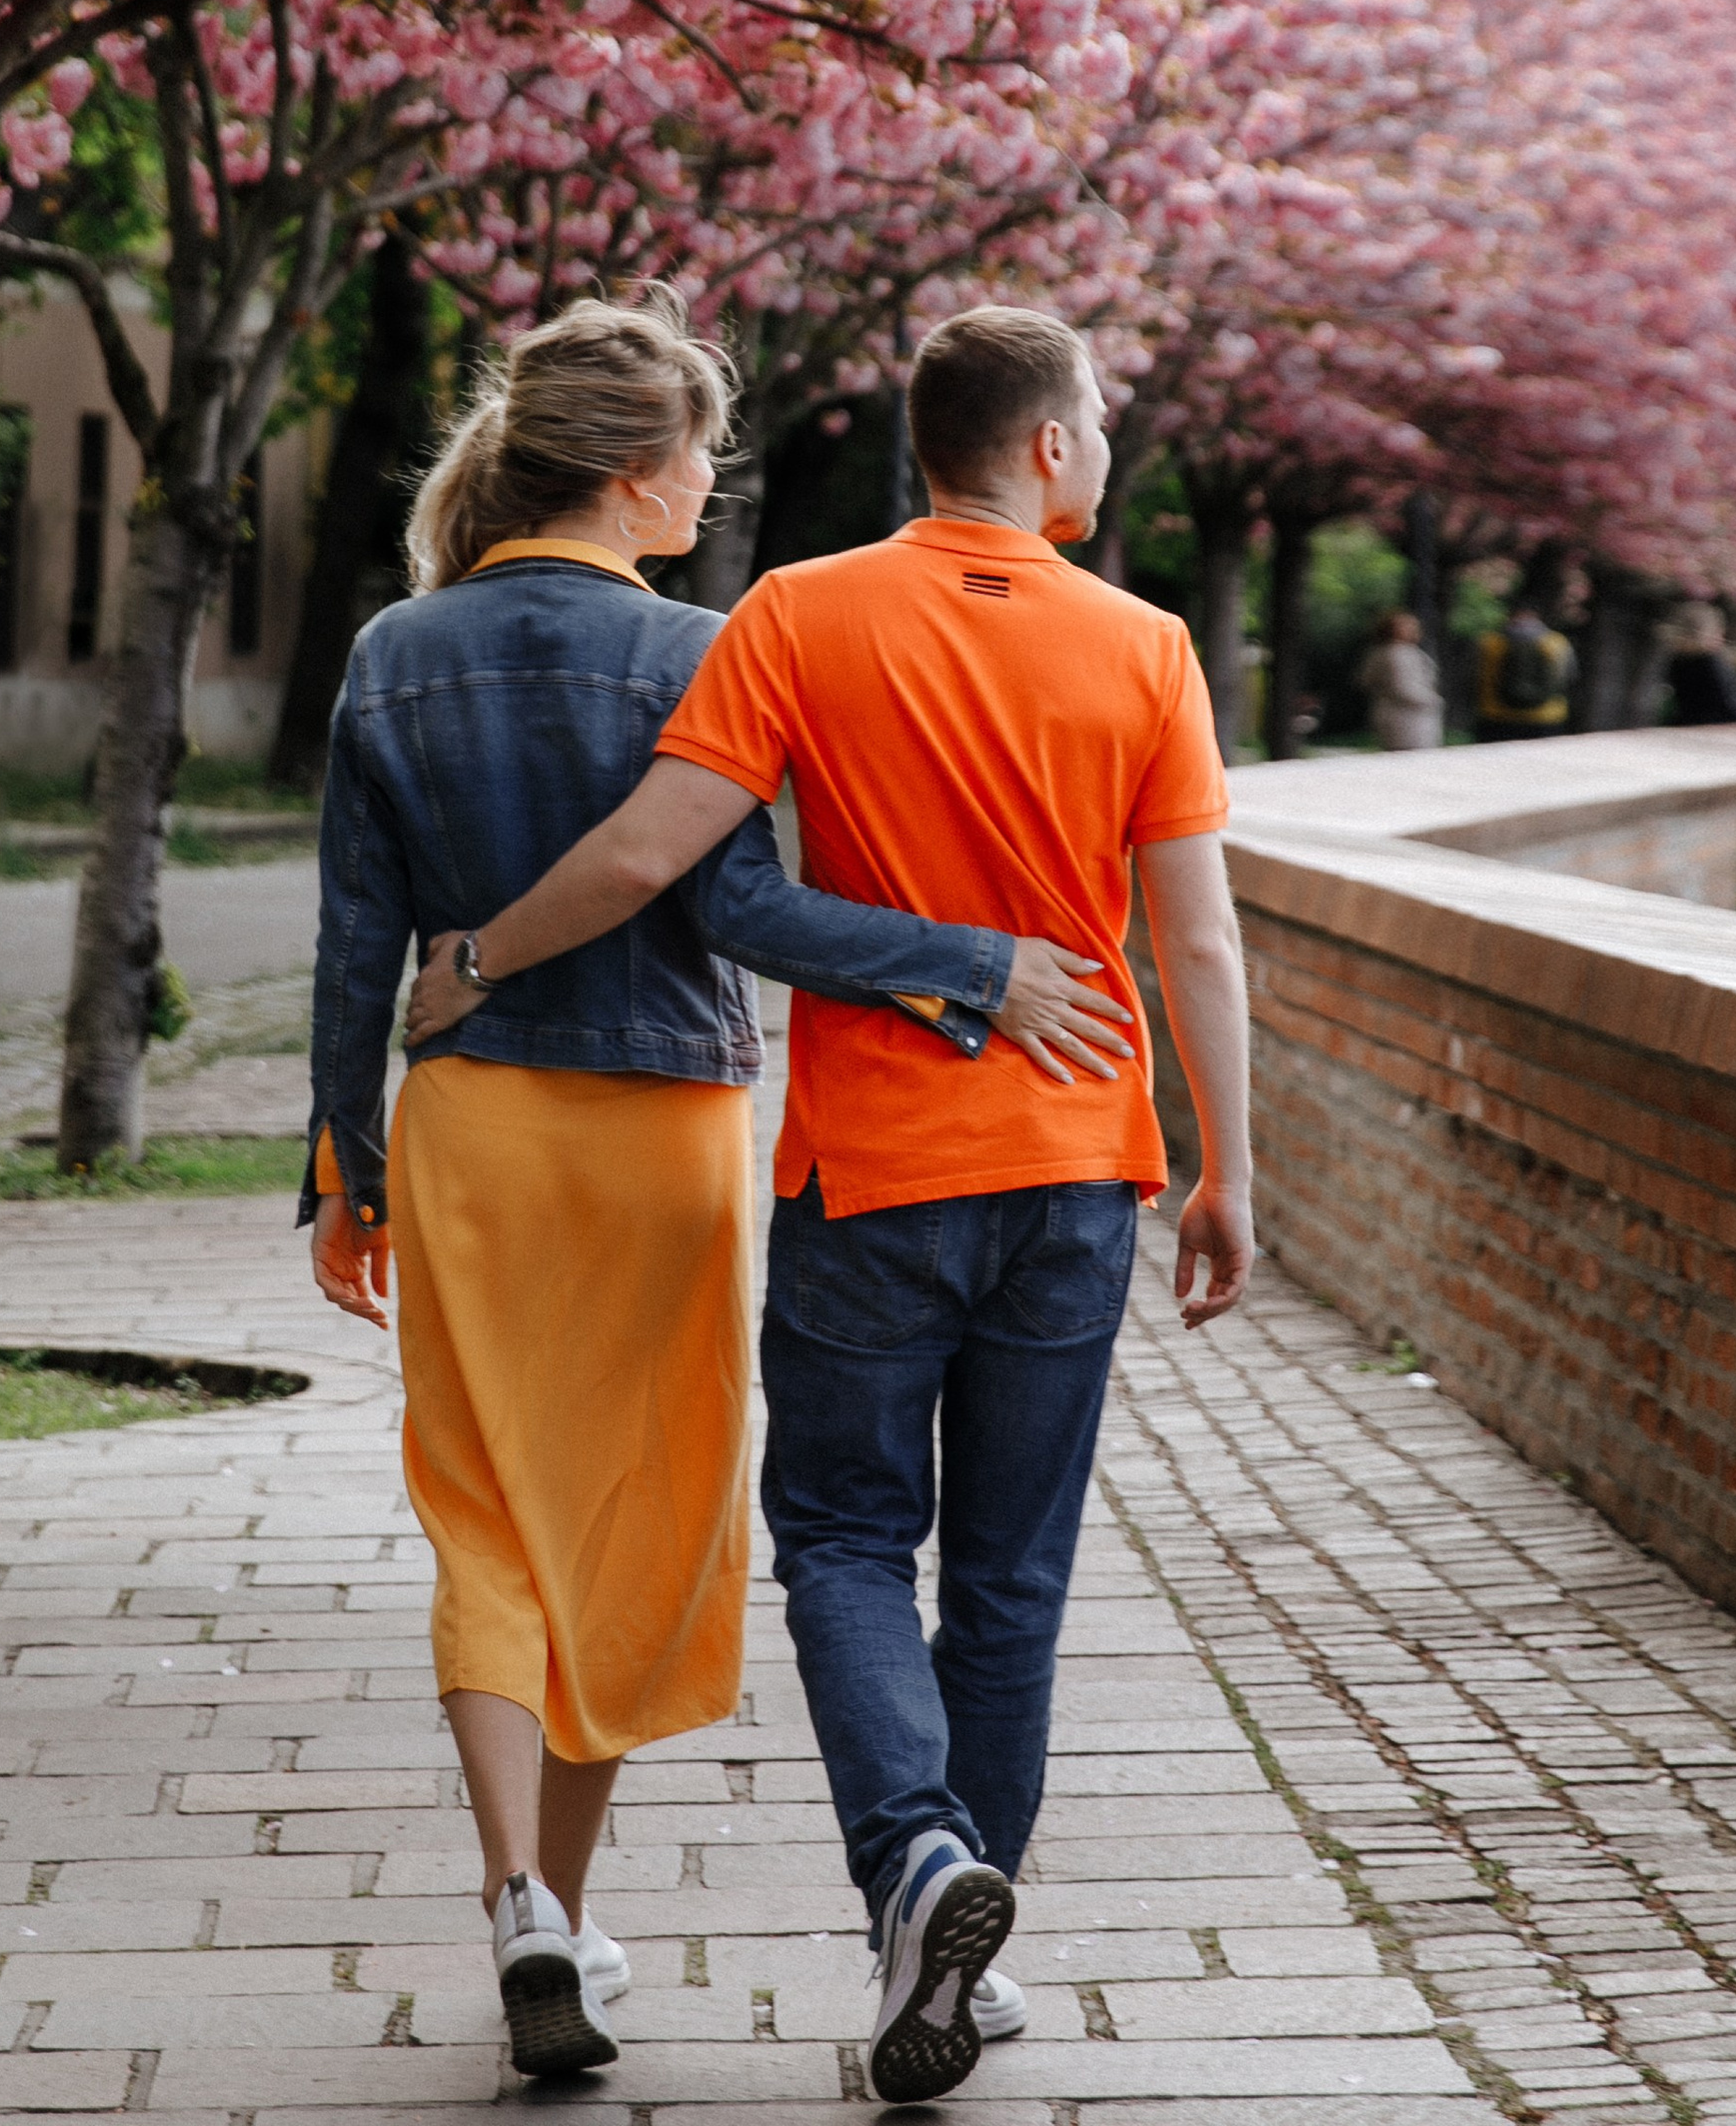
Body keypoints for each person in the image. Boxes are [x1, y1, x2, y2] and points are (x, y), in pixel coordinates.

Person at [401, 302, 1251, 2105]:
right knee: (1008, 1580)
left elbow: (659, 862)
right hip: (1079, 1164)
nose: (1102, 446)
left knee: (850, 1545)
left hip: (869, 1177)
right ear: (1041, 445)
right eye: (1094, 419)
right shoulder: (1151, 646)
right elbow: (1196, 936)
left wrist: (470, 961)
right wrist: (1228, 1166)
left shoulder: (795, 611)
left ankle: (920, 1869)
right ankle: (947, 1932)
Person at [1473, 594, 1576, 742]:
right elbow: (1568, 678)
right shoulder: (1556, 642)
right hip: (1547, 716)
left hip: (1496, 716)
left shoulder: (1490, 642)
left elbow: (1474, 678)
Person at [1662, 596, 1736, 724]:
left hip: (1686, 721)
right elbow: (1729, 699)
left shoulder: (1677, 660)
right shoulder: (1711, 662)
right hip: (1716, 723)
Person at [1359, 609, 1444, 752]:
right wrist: (1432, 701)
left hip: (1398, 713)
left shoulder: (1383, 652)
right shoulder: (1396, 653)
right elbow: (1402, 687)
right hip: (1407, 717)